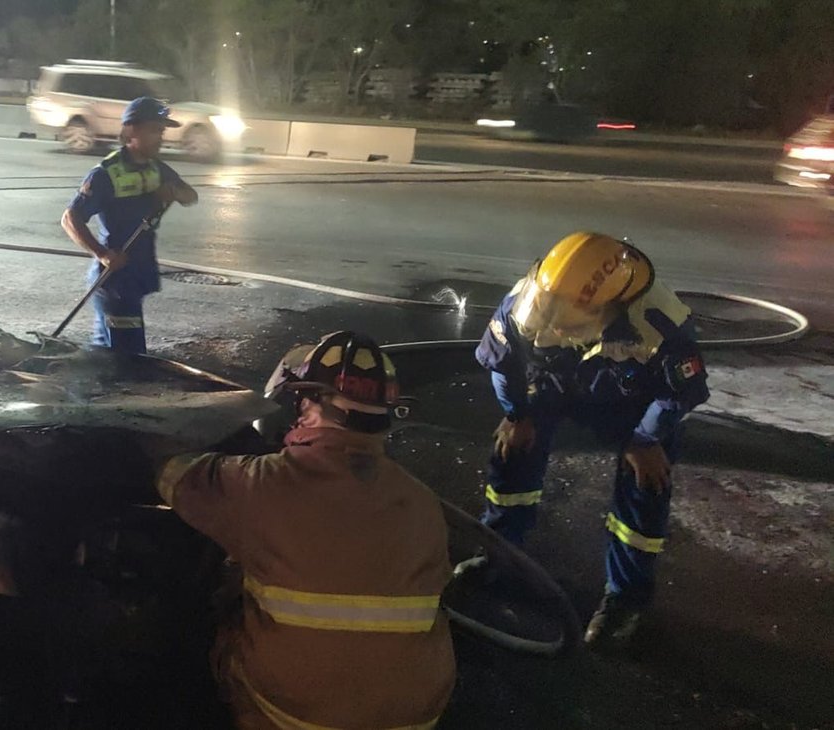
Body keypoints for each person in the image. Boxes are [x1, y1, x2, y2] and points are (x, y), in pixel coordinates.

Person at [156, 331, 455, 730]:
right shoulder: (423, 502)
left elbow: (175, 477)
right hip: (415, 714)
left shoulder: (262, 483)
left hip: (298, 714)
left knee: (219, 617)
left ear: (311, 405)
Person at [472, 231, 710, 649]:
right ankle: (499, 555)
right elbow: (503, 363)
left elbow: (676, 395)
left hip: (632, 405)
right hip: (556, 382)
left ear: (611, 307)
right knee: (512, 451)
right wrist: (517, 414)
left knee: (646, 482)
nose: (552, 324)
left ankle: (626, 600)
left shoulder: (660, 325)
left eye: (567, 315)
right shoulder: (525, 300)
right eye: (549, 309)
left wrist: (644, 440)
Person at [60, 96, 198, 354]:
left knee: (110, 352)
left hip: (137, 274)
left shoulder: (157, 169)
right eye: (154, 130)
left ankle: (86, 373)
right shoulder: (106, 173)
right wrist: (102, 254)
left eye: (162, 131)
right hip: (116, 279)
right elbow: (70, 218)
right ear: (131, 130)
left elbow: (191, 196)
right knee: (127, 358)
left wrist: (173, 193)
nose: (160, 138)